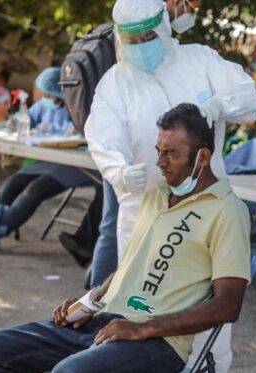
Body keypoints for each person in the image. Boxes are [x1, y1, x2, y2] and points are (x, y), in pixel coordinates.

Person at [0, 103, 251, 373]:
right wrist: (87, 304)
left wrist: (143, 328)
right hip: (103, 321)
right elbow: (132, 266)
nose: (160, 163)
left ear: (202, 157)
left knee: (69, 372)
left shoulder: (227, 210)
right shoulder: (157, 194)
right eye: (158, 151)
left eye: (171, 154)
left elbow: (228, 305)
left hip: (158, 343)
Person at [86, 0, 202, 289]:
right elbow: (104, 133)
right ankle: (96, 300)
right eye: (190, 4)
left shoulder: (185, 59)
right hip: (136, 179)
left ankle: (98, 300)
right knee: (122, 242)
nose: (191, 11)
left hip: (171, 193)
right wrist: (119, 170)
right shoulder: (121, 78)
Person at [0, 67, 101, 264]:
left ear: (57, 92)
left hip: (75, 165)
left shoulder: (75, 109)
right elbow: (24, 119)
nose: (41, 97)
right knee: (15, 180)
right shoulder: (42, 107)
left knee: (35, 189)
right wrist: (13, 120)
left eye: (45, 94)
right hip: (49, 160)